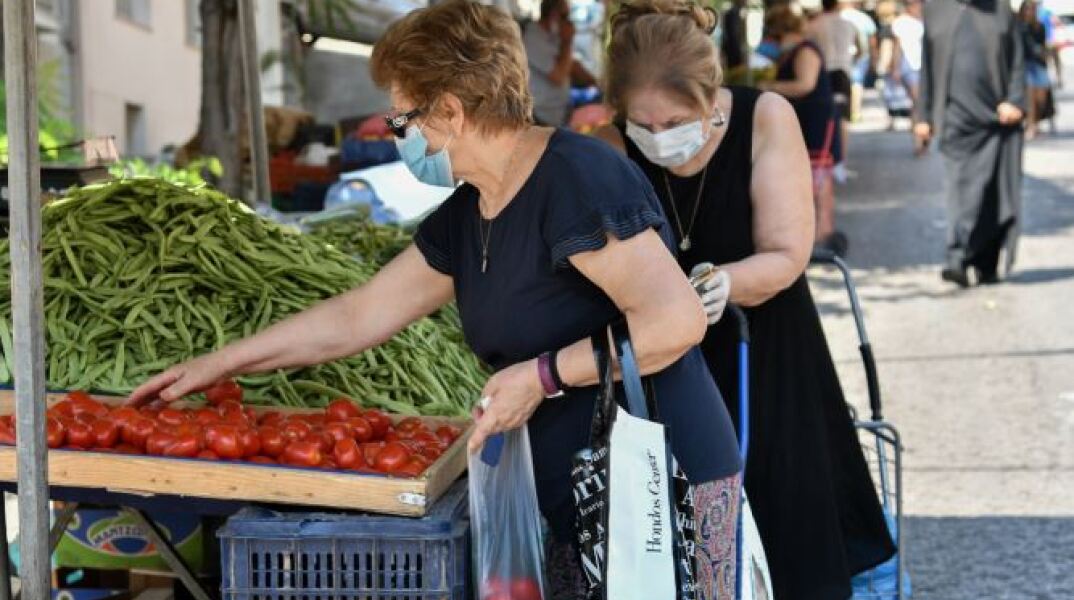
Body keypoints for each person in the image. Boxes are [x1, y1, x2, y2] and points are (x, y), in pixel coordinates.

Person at [128, 1, 743, 597]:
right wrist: (218, 364)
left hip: (661, 489)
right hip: (578, 494)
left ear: (449, 110)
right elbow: (357, 316)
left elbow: (675, 320)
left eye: (402, 120)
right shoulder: (470, 211)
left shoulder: (576, 179)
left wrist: (542, 375)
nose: (398, 136)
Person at [595, 1, 897, 598]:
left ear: (711, 96)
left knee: (788, 527)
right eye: (642, 125)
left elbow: (787, 252)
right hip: (666, 365)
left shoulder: (765, 117)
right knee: (682, 540)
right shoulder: (610, 145)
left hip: (766, 351)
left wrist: (725, 283)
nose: (659, 139)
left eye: (675, 121)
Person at [914, 0, 1026, 286]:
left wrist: (1015, 101)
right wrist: (923, 116)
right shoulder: (936, 9)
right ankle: (957, 256)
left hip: (996, 120)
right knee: (960, 189)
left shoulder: (1000, 9)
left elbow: (1017, 60)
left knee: (993, 194)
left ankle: (986, 263)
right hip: (955, 120)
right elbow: (927, 66)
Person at [760, 5, 845, 257]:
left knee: (819, 177)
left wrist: (770, 86)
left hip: (816, 122)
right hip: (808, 121)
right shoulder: (795, 50)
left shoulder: (805, 50)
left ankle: (823, 234)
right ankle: (817, 234)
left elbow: (805, 84)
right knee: (814, 176)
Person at [523, 0, 597, 126]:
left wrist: (596, 84)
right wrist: (567, 41)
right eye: (565, 16)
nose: (568, 22)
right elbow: (558, 76)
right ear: (553, 15)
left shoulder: (554, 36)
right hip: (541, 116)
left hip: (559, 113)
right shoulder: (533, 39)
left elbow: (571, 65)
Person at [809, 0, 860, 172]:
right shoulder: (849, 25)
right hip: (843, 71)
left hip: (823, 71)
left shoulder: (814, 25)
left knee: (824, 117)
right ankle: (840, 163)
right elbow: (860, 49)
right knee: (842, 118)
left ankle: (827, 157)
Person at [841, 0, 878, 122]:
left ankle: (847, 111)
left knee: (846, 83)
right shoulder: (864, 18)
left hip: (841, 56)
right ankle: (855, 111)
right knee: (857, 83)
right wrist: (874, 59)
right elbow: (872, 41)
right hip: (861, 55)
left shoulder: (838, 17)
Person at [1020, 0, 1052, 139]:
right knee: (1030, 96)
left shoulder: (1040, 27)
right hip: (1025, 64)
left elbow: (1042, 45)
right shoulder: (1019, 27)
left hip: (1039, 64)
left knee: (1041, 98)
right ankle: (1030, 124)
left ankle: (1036, 122)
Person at [721, 0, 749, 71]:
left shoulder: (735, 13)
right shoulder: (733, 13)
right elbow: (732, 34)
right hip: (733, 51)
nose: (745, 2)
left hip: (732, 50)